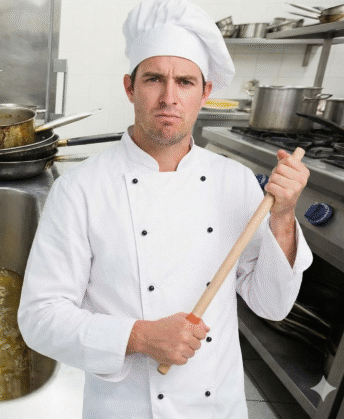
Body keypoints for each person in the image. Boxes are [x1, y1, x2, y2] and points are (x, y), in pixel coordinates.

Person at [16, 0, 313, 417]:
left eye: (186, 82)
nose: (169, 98)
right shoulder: (80, 189)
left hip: (216, 406)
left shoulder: (236, 182)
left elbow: (272, 305)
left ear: (205, 92)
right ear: (130, 87)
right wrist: (138, 337)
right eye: (154, 79)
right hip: (124, 407)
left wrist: (283, 217)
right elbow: (39, 319)